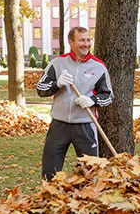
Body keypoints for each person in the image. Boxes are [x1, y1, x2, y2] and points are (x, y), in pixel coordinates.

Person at [36, 26, 113, 181]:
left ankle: (89, 202)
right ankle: (49, 200)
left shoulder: (98, 67)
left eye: (88, 40)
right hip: (59, 125)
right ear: (71, 42)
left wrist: (93, 100)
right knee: (49, 172)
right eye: (81, 40)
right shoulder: (58, 63)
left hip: (85, 126)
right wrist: (56, 84)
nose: (86, 44)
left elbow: (109, 96)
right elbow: (40, 89)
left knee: (91, 173)